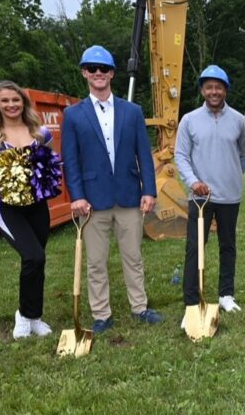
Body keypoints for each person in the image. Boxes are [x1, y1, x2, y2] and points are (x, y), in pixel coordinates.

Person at [61, 45, 162, 334]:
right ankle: (101, 314)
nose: (98, 74)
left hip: (129, 196)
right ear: (84, 73)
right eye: (92, 68)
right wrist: (77, 196)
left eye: (103, 69)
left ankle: (139, 307)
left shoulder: (132, 111)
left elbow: (144, 153)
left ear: (112, 74)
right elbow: (70, 160)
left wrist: (150, 190)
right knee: (95, 261)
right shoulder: (73, 115)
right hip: (92, 201)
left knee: (133, 256)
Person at [0, 81, 55, 339]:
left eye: (15, 100)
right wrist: (7, 173)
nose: (11, 105)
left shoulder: (41, 133)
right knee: (33, 257)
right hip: (7, 207)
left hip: (37, 205)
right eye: (5, 100)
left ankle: (35, 316)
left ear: (24, 102)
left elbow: (50, 164)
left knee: (37, 258)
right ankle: (24, 315)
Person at [175, 64, 245, 324]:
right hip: (200, 197)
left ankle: (226, 295)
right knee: (196, 248)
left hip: (230, 195)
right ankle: (192, 302)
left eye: (219, 87)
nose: (214, 91)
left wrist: (232, 172)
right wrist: (194, 181)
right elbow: (181, 156)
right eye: (209, 87)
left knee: (228, 246)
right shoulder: (189, 120)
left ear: (225, 90)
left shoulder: (239, 120)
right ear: (203, 90)